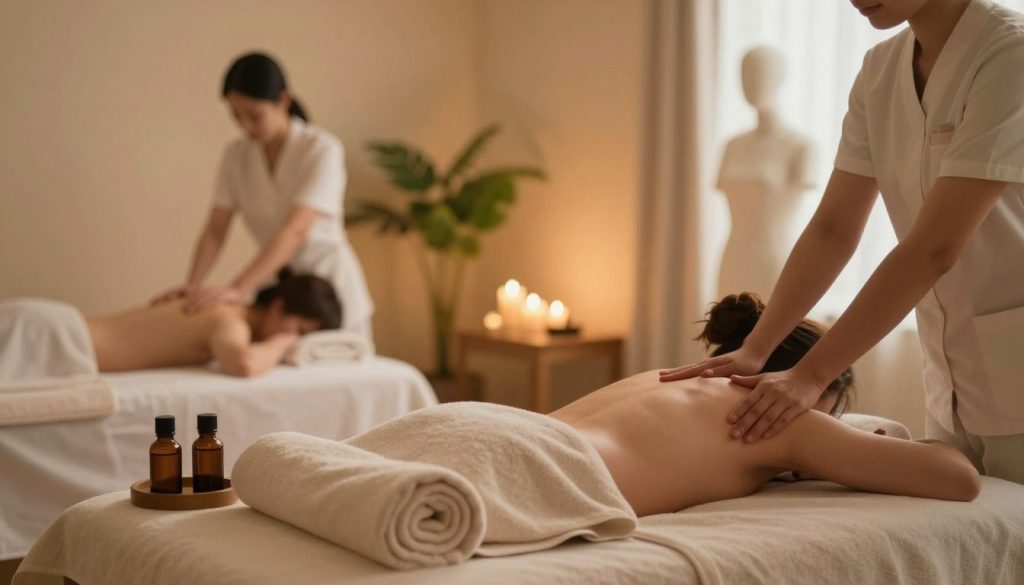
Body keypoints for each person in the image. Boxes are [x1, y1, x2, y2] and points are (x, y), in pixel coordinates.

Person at [661, 0, 1024, 485]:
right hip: (951, 381)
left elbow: (935, 246)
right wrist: (758, 345)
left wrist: (811, 376)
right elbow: (833, 228)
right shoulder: (880, 69)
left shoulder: (1009, 53)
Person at [550, 293, 979, 516]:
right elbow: (961, 479)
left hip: (510, 428)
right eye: (824, 414)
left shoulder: (667, 377)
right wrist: (835, 447)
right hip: (553, 472)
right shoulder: (779, 413)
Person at [151, 52, 374, 339]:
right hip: (281, 299)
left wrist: (236, 288)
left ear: (283, 101)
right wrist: (192, 287)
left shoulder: (320, 149)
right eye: (236, 116)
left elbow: (294, 231)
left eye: (254, 115)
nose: (245, 126)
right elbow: (215, 230)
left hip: (330, 293)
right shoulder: (236, 156)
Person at [86, 272, 338, 377]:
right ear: (278, 306)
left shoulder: (226, 313)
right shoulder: (230, 320)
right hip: (71, 343)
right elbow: (244, 365)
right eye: (300, 330)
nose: (297, 338)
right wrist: (282, 342)